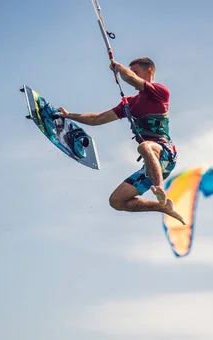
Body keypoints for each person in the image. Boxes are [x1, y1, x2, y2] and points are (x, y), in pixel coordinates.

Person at [58, 57, 185, 225]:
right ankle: (163, 207)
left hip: (165, 153)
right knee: (117, 201)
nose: (133, 75)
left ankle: (159, 189)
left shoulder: (159, 92)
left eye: (136, 71)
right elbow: (98, 119)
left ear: (150, 71)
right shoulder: (130, 103)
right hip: (152, 164)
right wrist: (69, 115)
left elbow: (130, 78)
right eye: (131, 71)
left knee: (144, 147)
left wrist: (118, 66)